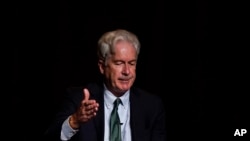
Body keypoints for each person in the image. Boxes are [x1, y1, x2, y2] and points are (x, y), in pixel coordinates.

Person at [44, 29, 166, 141]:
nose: (127, 71)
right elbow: (51, 137)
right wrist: (75, 120)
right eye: (119, 63)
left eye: (132, 63)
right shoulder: (77, 99)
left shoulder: (152, 106)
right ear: (102, 66)